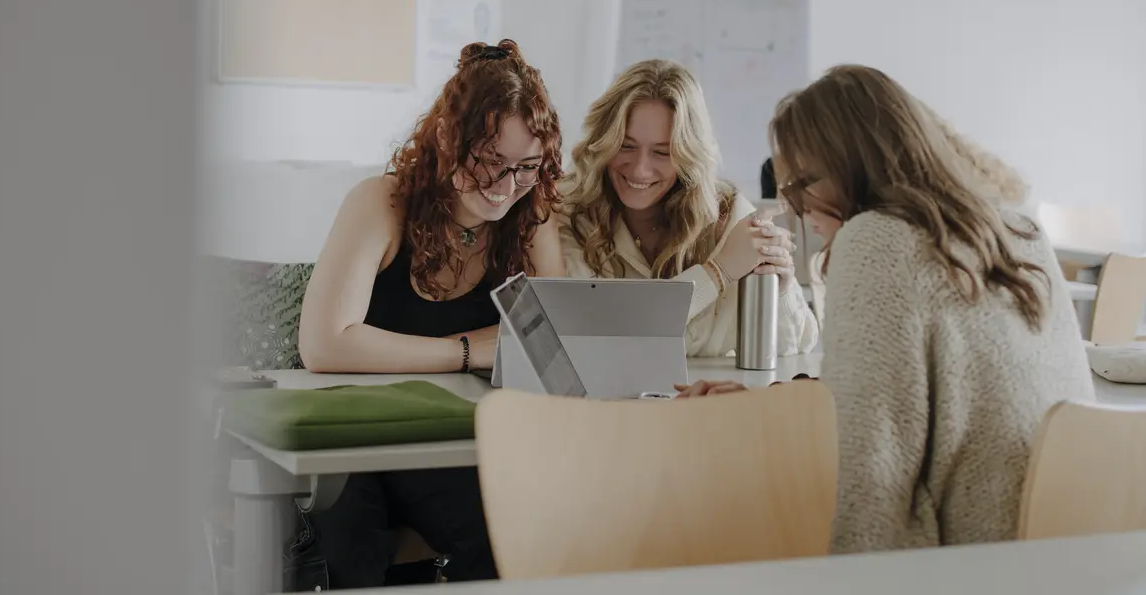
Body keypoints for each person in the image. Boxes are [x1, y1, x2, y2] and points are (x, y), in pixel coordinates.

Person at [677, 64, 1095, 553]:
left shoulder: (875, 239)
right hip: (1071, 549)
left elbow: (870, 481)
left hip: (971, 565)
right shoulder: (1022, 232)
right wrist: (777, 410)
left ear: (855, 164)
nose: (798, 209)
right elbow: (920, 403)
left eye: (803, 185)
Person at [294, 39, 566, 588]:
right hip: (355, 433)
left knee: (514, 536)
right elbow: (325, 345)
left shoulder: (530, 216)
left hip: (449, 437)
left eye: (526, 168)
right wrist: (467, 350)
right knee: (347, 552)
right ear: (447, 138)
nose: (505, 188)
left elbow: (547, 340)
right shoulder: (382, 202)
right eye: (491, 163)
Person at [557, 58, 818, 358]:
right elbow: (594, 332)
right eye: (626, 146)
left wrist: (780, 287)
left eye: (662, 152)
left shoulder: (726, 212)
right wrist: (717, 272)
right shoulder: (569, 209)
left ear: (688, 154)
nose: (640, 169)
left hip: (709, 401)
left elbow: (798, 345)